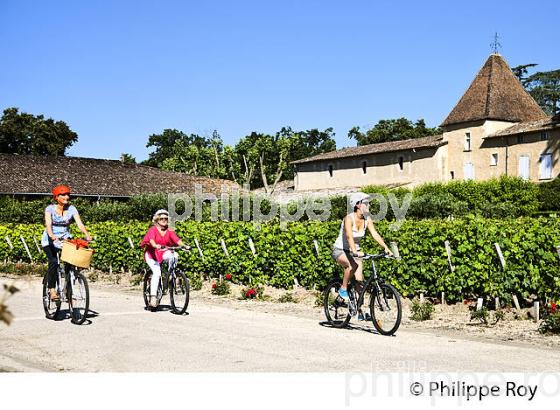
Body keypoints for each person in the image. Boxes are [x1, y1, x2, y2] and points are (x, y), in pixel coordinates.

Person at [332, 192, 392, 317]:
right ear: (358, 205)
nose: (368, 206)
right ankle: (343, 290)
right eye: (366, 203)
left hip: (356, 252)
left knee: (359, 282)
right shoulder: (349, 218)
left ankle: (360, 311)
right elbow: (349, 236)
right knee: (352, 266)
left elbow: (375, 234)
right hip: (341, 250)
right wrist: (354, 251)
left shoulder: (367, 220)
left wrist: (385, 247)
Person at [41, 184, 92, 301]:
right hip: (50, 240)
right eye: (63, 195)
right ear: (56, 197)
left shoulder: (72, 209)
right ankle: (52, 289)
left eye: (67, 194)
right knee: (54, 261)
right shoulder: (49, 209)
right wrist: (51, 235)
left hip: (65, 239)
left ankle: (68, 290)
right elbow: (48, 224)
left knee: (70, 263)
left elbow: (79, 223)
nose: (66, 197)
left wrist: (87, 234)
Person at [140, 209, 188, 308]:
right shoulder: (152, 230)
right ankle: (153, 297)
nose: (164, 220)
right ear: (157, 220)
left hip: (163, 252)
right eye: (161, 218)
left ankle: (172, 275)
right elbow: (151, 240)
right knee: (157, 272)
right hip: (151, 254)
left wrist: (184, 246)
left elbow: (177, 240)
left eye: (166, 218)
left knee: (174, 255)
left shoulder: (169, 231)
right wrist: (155, 245)